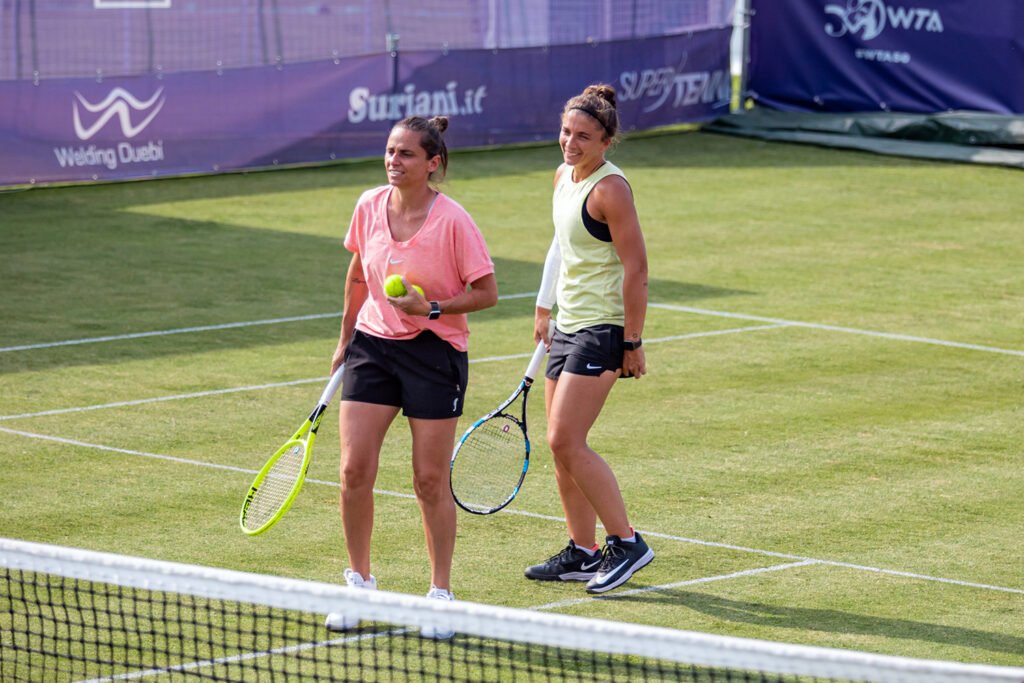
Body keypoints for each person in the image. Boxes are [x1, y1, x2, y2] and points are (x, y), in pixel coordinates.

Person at [324, 115, 498, 638]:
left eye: (406, 155)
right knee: (354, 470)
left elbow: (487, 292)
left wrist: (433, 307)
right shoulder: (367, 205)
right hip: (373, 347)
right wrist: (344, 338)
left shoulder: (453, 221)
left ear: (433, 164)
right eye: (390, 151)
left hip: (434, 352)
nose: (393, 161)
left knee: (428, 480)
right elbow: (357, 273)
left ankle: (440, 594)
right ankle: (358, 582)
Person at [525, 84, 654, 594]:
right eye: (565, 132)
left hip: (603, 327)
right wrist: (543, 306)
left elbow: (637, 269)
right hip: (567, 324)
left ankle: (626, 542)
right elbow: (561, 244)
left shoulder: (611, 189)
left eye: (583, 137)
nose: (570, 143)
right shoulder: (563, 177)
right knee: (561, 450)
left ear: (606, 142)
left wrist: (633, 341)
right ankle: (582, 550)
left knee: (564, 439)